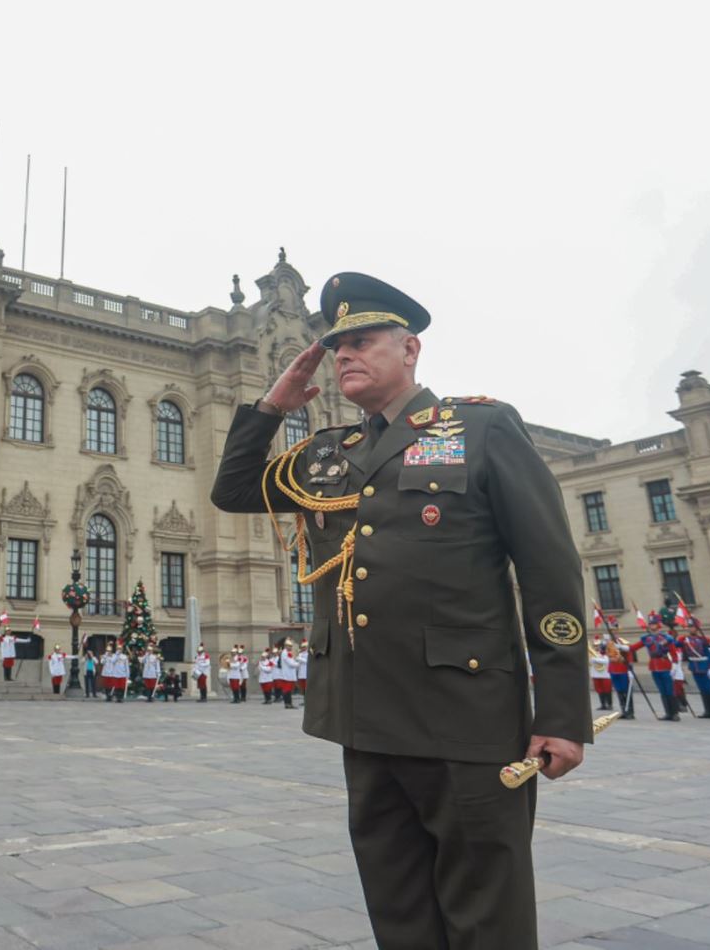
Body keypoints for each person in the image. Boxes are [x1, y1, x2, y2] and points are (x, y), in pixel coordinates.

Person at [211, 273, 589, 950]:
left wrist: (562, 714)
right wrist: (272, 405)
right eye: (336, 346)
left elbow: (550, 573)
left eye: (361, 341)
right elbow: (235, 488)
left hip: (466, 719)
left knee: (486, 915)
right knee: (400, 911)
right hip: (365, 717)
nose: (344, 355)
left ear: (409, 348)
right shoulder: (332, 451)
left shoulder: (481, 427)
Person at [637, 614, 680, 721]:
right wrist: (622, 647)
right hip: (654, 666)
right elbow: (634, 647)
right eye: (651, 624)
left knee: (669, 690)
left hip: (664, 664)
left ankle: (674, 713)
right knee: (662, 691)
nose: (652, 626)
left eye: (654, 624)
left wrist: (674, 665)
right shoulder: (646, 638)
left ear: (658, 625)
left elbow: (673, 653)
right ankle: (668, 713)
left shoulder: (666, 638)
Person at [679, 620, 710, 718]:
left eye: (693, 626)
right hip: (694, 666)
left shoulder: (705, 639)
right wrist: (680, 639)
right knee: (702, 689)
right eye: (689, 627)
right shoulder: (686, 639)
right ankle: (707, 711)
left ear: (697, 628)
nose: (691, 628)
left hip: (705, 666)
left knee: (709, 689)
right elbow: (676, 645)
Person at [589, 639, 613, 711]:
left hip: (605, 675)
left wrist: (595, 659)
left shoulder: (606, 654)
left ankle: (609, 704)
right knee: (599, 690)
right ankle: (603, 705)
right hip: (596, 674)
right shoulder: (592, 654)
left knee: (607, 690)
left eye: (598, 646)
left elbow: (606, 661)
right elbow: (589, 662)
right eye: (595, 646)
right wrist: (592, 658)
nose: (596, 647)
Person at [278, 643, 298, 711]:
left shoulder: (288, 653)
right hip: (287, 675)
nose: (290, 647)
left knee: (288, 690)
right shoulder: (285, 653)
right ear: (286, 646)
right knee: (287, 690)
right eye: (289, 646)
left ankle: (288, 703)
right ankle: (288, 704)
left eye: (291, 646)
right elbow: (290, 663)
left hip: (289, 674)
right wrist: (298, 664)